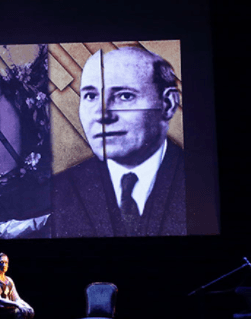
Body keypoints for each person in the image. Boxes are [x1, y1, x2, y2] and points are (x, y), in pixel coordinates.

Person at [51, 46, 186, 237]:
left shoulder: (201, 180)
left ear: (168, 104)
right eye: (91, 96)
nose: (101, 115)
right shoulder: (61, 189)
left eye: (125, 96)